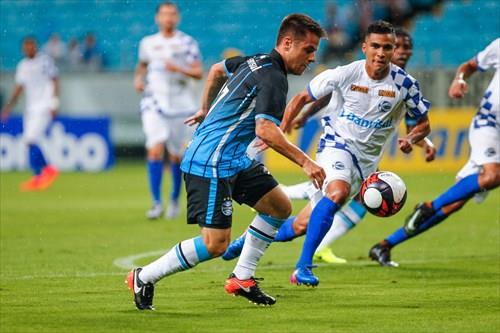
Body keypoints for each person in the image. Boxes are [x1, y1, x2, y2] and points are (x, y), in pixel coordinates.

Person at [125, 14, 327, 310]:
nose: (311, 58)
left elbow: (216, 70)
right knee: (215, 244)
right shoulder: (273, 77)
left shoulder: (256, 61)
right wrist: (306, 163)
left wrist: (206, 108)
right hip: (209, 163)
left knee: (280, 207)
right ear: (287, 43)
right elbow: (266, 130)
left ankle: (242, 278)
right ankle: (144, 276)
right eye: (308, 49)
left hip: (233, 159)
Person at [222, 28, 436, 265]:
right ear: (365, 48)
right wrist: (283, 127)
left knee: (302, 224)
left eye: (387, 47)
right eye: (375, 46)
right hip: (336, 145)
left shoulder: (405, 85)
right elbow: (304, 97)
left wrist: (414, 139)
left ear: (392, 50)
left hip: (366, 163)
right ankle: (303, 266)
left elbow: (423, 124)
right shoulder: (347, 73)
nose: (381, 53)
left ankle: (246, 239)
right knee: (337, 192)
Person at [369, 38, 500, 267]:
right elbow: (468, 67)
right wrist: (459, 80)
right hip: (489, 125)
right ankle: (428, 207)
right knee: (493, 176)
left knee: (455, 202)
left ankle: (385, 245)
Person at [134, 2, 203, 220]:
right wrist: (137, 78)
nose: (168, 18)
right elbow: (143, 64)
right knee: (155, 149)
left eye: (172, 14)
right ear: (157, 18)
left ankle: (174, 199)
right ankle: (156, 203)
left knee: (176, 155)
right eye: (164, 14)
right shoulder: (148, 43)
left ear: (178, 18)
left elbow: (199, 72)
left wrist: (179, 69)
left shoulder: (187, 42)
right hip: (154, 101)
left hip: (181, 104)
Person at [0, 37, 59, 191]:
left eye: (31, 45)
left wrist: (54, 102)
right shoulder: (22, 66)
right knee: (29, 141)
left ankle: (44, 172)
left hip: (44, 106)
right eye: (26, 46)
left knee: (30, 139)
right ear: (23, 49)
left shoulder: (44, 61)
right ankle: (42, 174)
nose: (29, 48)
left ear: (36, 46)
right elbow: (19, 88)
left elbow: (54, 80)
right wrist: (8, 107)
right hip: (31, 108)